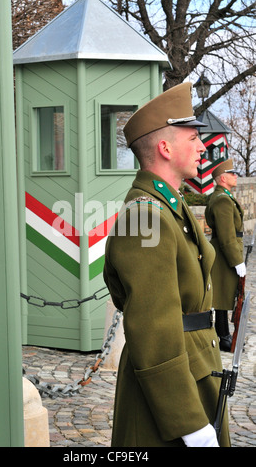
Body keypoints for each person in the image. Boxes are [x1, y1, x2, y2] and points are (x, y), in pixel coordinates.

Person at [103, 82, 230, 447]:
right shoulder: (146, 215)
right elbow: (153, 328)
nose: (203, 147)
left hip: (195, 370)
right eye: (193, 139)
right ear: (164, 147)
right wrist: (187, 421)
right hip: (170, 395)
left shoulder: (167, 207)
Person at [205, 160, 245, 352]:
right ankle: (224, 337)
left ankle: (224, 336)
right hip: (223, 255)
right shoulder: (222, 199)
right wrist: (237, 261)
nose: (235, 176)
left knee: (223, 296)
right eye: (232, 173)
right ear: (222, 178)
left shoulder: (223, 196)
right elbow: (227, 235)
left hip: (225, 252)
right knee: (221, 297)